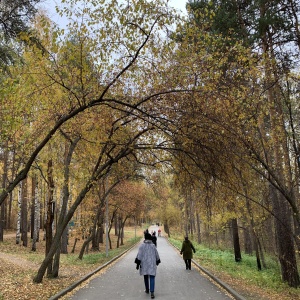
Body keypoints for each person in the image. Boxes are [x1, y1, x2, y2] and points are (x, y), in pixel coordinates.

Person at [135, 233, 161, 299]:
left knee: (146, 277)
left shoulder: (142, 246)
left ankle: (147, 290)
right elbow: (156, 254)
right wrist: (157, 261)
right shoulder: (153, 246)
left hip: (144, 264)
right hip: (152, 264)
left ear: (145, 238)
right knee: (152, 277)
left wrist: (138, 263)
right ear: (150, 238)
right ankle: (152, 292)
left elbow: (139, 255)